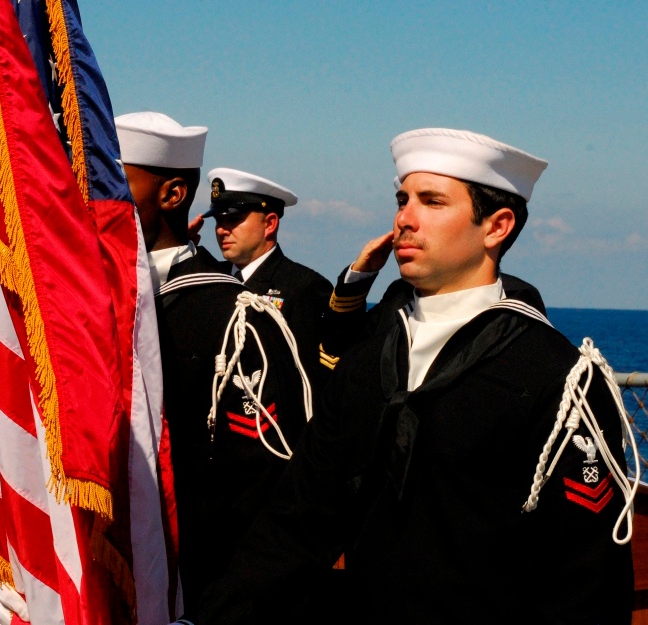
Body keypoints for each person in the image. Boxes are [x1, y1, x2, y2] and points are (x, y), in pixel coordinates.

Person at [194, 128, 635, 624]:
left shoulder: (558, 380)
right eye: (403, 199)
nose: (405, 218)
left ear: (497, 226)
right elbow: (299, 517)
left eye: (433, 202)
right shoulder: (371, 359)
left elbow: (586, 582)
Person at [115, 112, 313, 621]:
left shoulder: (231, 319)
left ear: (172, 195)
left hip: (195, 593)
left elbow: (265, 496)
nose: (91, 196)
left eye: (111, 180)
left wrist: (214, 611)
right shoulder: (89, 304)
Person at [203, 169, 334, 387]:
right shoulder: (211, 279)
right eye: (218, 220)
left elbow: (311, 383)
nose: (221, 230)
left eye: (234, 219)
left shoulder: (304, 288)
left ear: (270, 224)